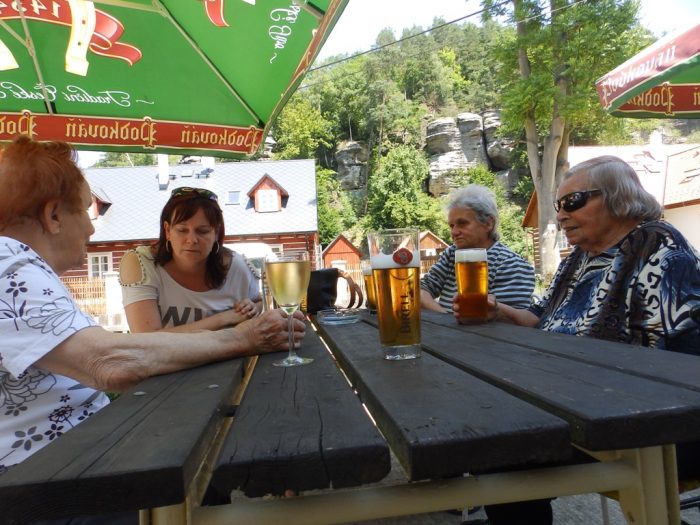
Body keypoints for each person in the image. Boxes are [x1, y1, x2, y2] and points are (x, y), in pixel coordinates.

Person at [0, 136, 304, 524]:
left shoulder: (21, 267)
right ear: (53, 216)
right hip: (47, 494)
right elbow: (110, 363)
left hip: (73, 469)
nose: (92, 227)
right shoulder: (7, 263)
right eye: (85, 210)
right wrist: (245, 337)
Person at [456, 156, 700, 525]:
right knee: (491, 427)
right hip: (579, 402)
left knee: (501, 440)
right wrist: (499, 311)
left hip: (652, 424)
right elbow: (539, 317)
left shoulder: (658, 246)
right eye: (559, 205)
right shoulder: (579, 259)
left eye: (573, 202)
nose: (561, 215)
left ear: (619, 199)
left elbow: (664, 359)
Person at [120, 186, 261, 333]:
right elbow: (146, 339)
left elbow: (258, 302)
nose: (192, 240)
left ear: (216, 233)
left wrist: (251, 308)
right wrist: (223, 318)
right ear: (167, 231)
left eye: (203, 231)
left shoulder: (236, 266)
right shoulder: (141, 263)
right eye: (182, 230)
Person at [421, 184, 535, 313]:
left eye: (462, 223)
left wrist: (447, 320)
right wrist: (445, 317)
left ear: (488, 223)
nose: (454, 232)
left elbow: (506, 320)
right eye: (452, 226)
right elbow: (421, 290)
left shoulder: (512, 265)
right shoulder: (452, 254)